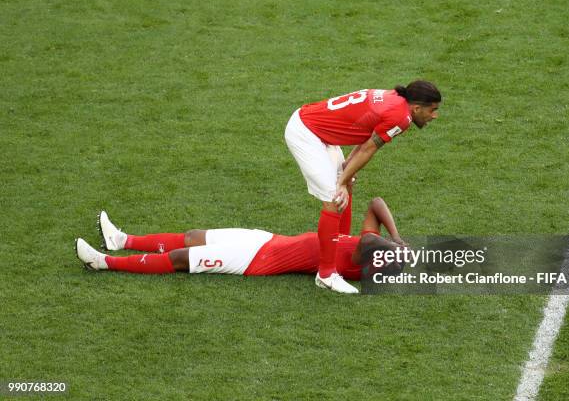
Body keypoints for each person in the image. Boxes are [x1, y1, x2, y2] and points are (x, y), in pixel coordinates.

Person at [284, 80, 441, 293]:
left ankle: (338, 247)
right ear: (416, 108)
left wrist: (347, 170)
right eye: (433, 110)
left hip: (316, 128)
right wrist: (340, 181)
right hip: (307, 134)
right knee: (334, 197)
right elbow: (369, 148)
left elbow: (367, 130)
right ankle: (327, 274)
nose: (434, 116)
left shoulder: (394, 98)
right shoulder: (401, 117)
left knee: (346, 185)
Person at [75, 197, 406, 289]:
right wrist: (398, 238)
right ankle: (121, 240)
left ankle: (104, 262)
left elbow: (372, 219)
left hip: (256, 261)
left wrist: (392, 243)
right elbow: (375, 203)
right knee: (193, 236)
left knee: (181, 257)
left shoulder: (362, 260)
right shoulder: (371, 246)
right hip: (266, 240)